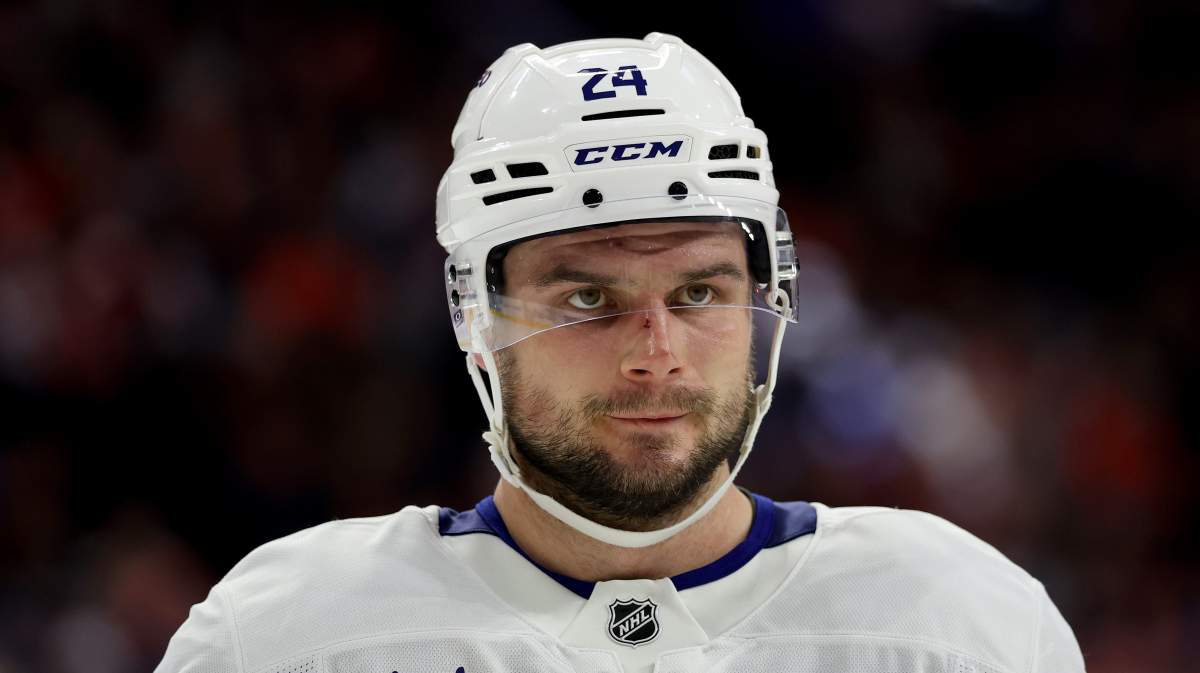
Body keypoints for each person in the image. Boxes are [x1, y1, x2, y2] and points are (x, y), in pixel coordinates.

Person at [156, 33, 1086, 673]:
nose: (656, 354)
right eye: (589, 298)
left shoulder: (960, 626)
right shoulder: (287, 636)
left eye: (698, 293)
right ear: (475, 314)